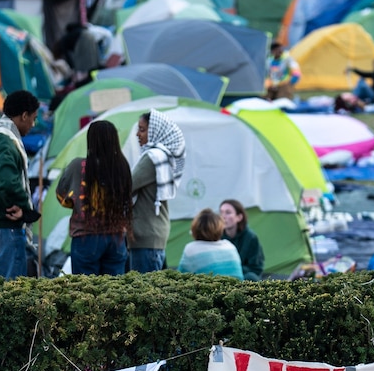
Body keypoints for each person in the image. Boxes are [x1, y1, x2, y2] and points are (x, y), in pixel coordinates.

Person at [0, 90, 40, 280]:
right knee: (9, 292)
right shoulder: (5, 141)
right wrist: (25, 208)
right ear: (24, 115)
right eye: (33, 118)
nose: (33, 124)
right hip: (3, 224)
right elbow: (6, 180)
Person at [54, 120, 132, 276]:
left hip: (86, 236)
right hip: (116, 237)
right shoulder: (122, 167)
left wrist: (78, 204)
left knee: (87, 291)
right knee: (114, 290)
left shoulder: (78, 166)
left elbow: (61, 195)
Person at [130, 110, 186, 273]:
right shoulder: (162, 155)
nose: (137, 134)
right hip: (154, 233)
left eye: (142, 129)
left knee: (143, 293)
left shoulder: (152, 158)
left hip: (146, 235)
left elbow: (127, 185)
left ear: (155, 131)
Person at [177, 208, 244, 278]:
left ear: (195, 228)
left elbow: (180, 277)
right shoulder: (230, 246)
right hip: (236, 288)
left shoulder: (191, 249)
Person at [219, 199, 264, 280]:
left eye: (228, 213)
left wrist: (234, 270)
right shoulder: (216, 237)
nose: (223, 217)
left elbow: (256, 268)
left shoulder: (250, 237)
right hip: (220, 277)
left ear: (239, 217)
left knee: (251, 277)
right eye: (221, 212)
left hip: (243, 277)